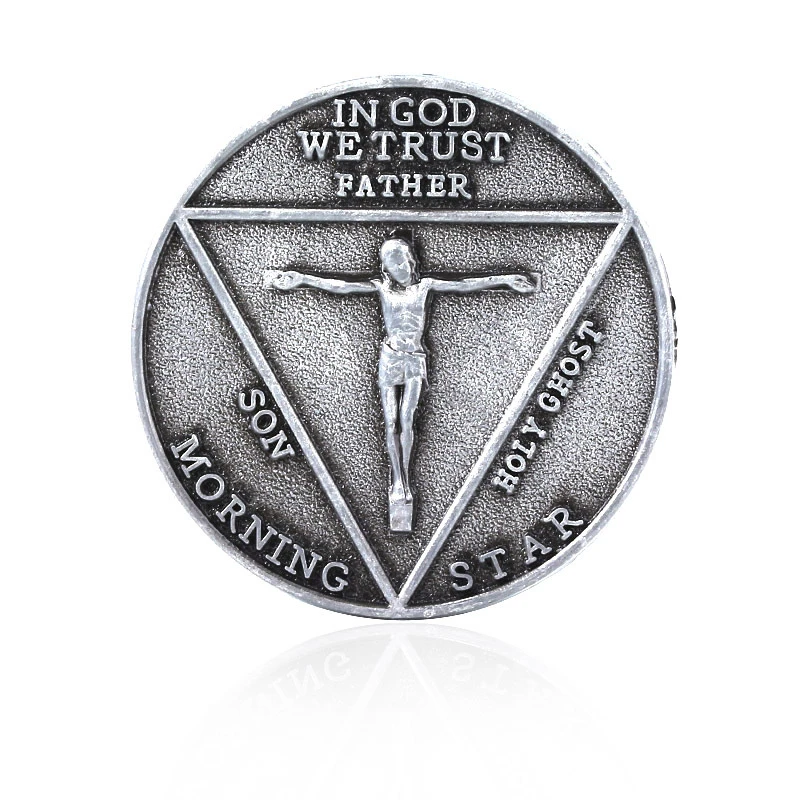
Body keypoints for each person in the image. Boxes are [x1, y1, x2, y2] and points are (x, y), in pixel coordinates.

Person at [267, 235, 539, 532]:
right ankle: (397, 480)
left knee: (408, 419)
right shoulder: (381, 288)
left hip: (414, 359)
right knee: (391, 422)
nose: (404, 267)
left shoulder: (425, 287)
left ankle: (405, 480)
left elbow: (464, 284)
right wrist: (302, 279)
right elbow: (341, 286)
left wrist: (505, 280)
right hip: (390, 358)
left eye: (406, 259)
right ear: (386, 268)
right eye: (396, 263)